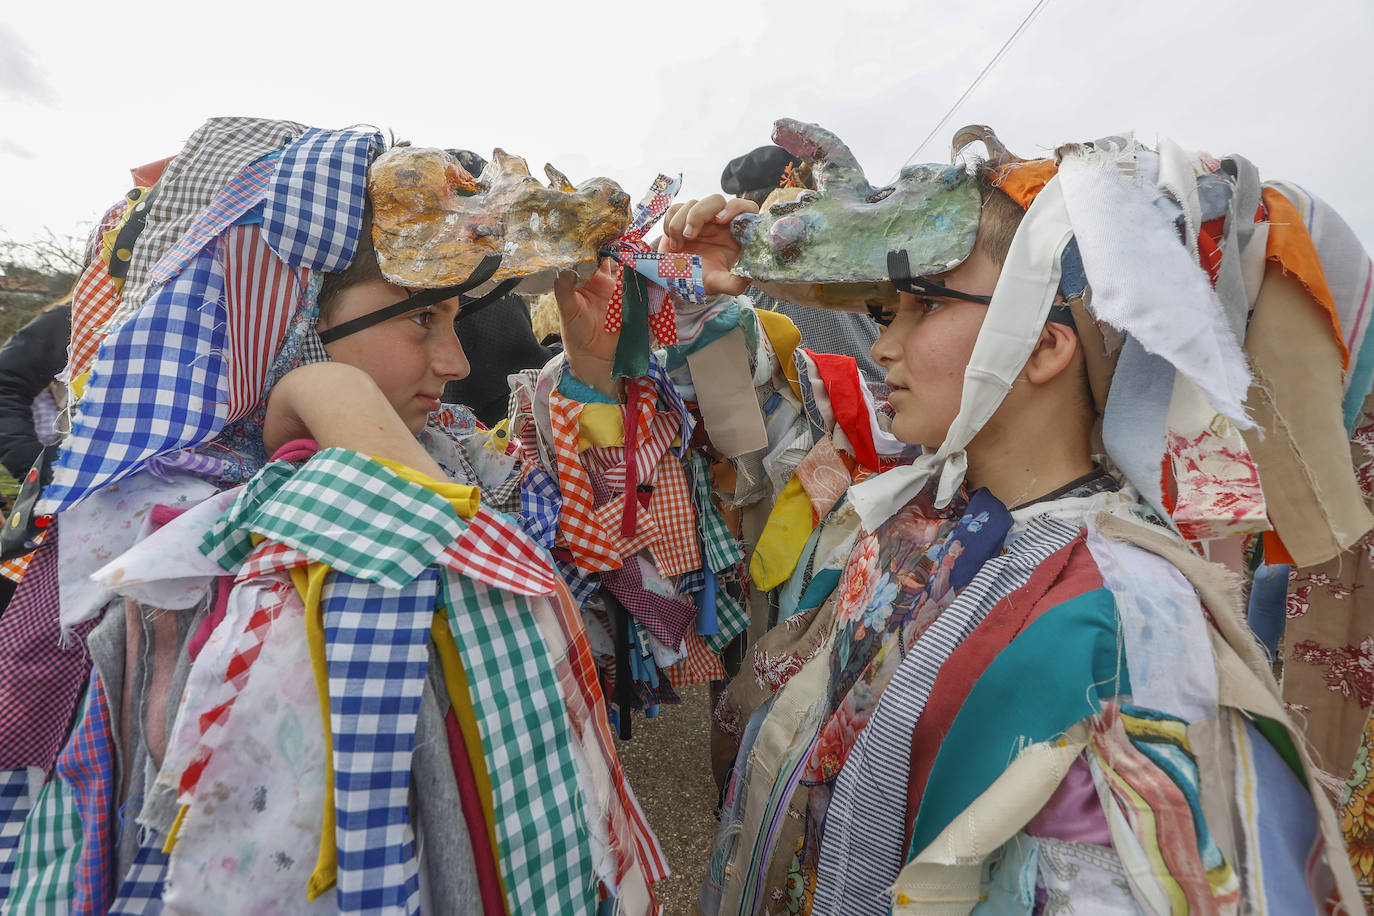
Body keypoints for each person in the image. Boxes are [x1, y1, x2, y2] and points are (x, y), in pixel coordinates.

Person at [659, 126, 1365, 913]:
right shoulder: (933, 504)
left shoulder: (1121, 624)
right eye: (888, 308)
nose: (883, 344)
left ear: (1043, 347)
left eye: (922, 306)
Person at [0, 119, 665, 915]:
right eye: (423, 319)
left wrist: (591, 372)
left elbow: (578, 564)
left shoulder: (445, 443)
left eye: (453, 321)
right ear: (295, 319)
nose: (456, 364)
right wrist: (322, 394)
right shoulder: (172, 532)